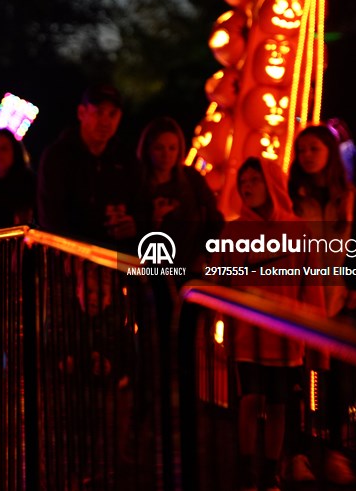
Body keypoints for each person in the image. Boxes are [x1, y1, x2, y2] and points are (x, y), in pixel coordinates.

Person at [211, 157, 326, 491]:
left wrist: (314, 333)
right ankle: (247, 470)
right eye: (243, 181)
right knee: (250, 399)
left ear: (272, 183)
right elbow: (218, 281)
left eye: (254, 180)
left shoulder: (298, 230)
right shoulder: (233, 231)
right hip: (246, 335)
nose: (246, 187)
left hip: (286, 338)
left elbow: (312, 285)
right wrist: (219, 328)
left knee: (279, 404)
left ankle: (272, 470)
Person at [285, 123, 356, 485]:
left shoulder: (346, 197)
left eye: (313, 149)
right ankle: (298, 454)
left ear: (329, 154)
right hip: (299, 293)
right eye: (301, 149)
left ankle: (336, 452)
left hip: (335, 292)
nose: (306, 155)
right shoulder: (290, 195)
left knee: (338, 380)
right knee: (297, 378)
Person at [36, 83, 140, 250]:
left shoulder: (126, 158)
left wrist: (136, 226)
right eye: (99, 112)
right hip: (70, 258)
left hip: (116, 258)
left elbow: (141, 205)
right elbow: (50, 217)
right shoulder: (57, 157)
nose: (106, 121)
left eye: (112, 114)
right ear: (81, 113)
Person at [135, 116, 224, 276]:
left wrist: (204, 255)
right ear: (148, 149)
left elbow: (215, 220)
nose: (166, 154)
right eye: (159, 148)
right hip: (150, 271)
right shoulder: (137, 185)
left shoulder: (191, 179)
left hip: (190, 268)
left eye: (172, 148)